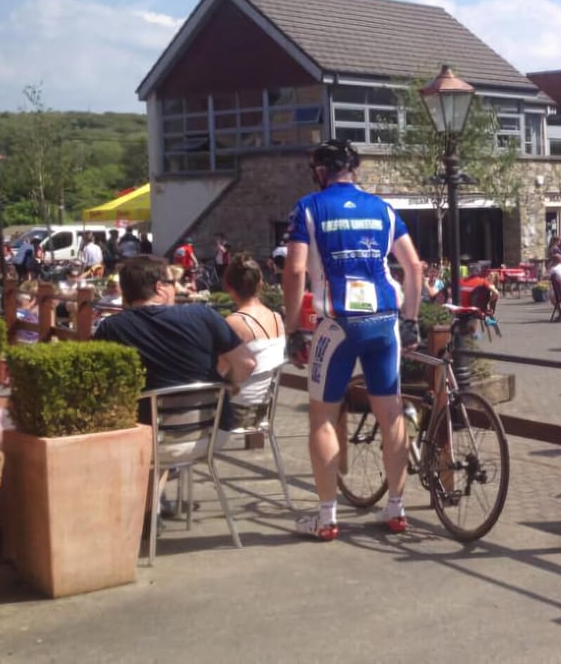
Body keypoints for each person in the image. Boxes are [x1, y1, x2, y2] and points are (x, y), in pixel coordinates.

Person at [281, 139, 424, 541]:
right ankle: (396, 509)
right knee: (391, 413)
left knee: (322, 417)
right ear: (355, 170)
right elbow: (413, 265)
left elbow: (293, 272)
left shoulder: (308, 207)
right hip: (383, 320)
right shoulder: (383, 208)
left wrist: (293, 328)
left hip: (338, 322)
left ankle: (327, 516)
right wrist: (411, 319)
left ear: (320, 171)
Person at [94, 255, 259, 521]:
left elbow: (99, 388)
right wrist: (226, 384)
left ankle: (147, 508)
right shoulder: (203, 315)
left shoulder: (111, 328)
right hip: (210, 434)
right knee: (161, 445)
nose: (178, 288)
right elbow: (248, 364)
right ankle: (153, 505)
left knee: (134, 429)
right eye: (174, 282)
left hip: (148, 441)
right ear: (160, 287)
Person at [221, 254, 285, 429]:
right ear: (260, 285)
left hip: (234, 413)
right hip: (263, 411)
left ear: (229, 288)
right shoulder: (277, 318)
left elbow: (219, 369)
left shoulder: (234, 323)